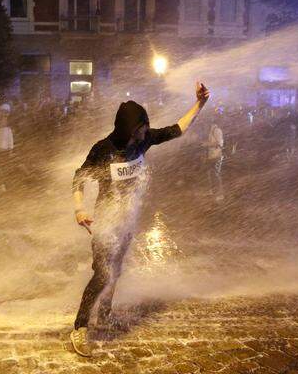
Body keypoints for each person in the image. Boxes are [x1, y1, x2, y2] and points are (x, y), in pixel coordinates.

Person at [69, 82, 210, 357]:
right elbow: (79, 178)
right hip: (105, 222)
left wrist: (199, 104)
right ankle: (80, 328)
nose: (146, 130)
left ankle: (105, 314)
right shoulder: (103, 149)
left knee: (116, 270)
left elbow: (177, 129)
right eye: (142, 126)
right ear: (128, 128)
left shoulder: (143, 141)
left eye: (145, 126)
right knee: (102, 274)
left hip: (126, 221)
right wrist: (79, 210)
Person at [205, 113, 224, 201]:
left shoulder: (217, 130)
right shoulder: (211, 130)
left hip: (217, 155)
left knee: (216, 175)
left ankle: (220, 194)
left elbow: (219, 144)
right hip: (211, 156)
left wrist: (207, 144)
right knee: (209, 173)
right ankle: (212, 191)